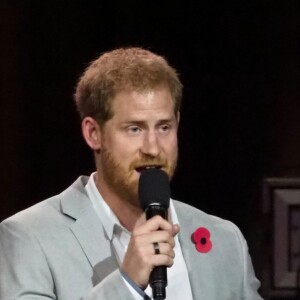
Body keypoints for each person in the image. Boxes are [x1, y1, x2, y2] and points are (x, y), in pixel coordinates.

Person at [0, 47, 263, 300]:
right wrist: (126, 284)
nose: (152, 148)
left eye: (163, 127)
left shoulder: (225, 241)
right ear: (93, 133)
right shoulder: (29, 238)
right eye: (134, 129)